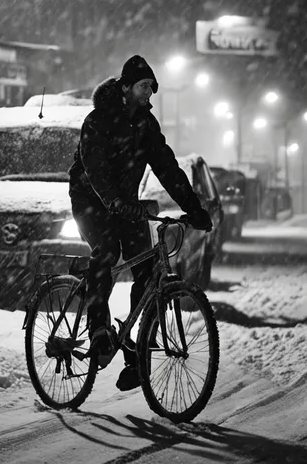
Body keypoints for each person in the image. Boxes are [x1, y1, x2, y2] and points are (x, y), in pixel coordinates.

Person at [68, 55, 212, 391]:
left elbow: (168, 168)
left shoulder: (145, 125)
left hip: (127, 206)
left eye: (152, 87)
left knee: (148, 272)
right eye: (144, 86)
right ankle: (99, 328)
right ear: (126, 86)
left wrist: (194, 207)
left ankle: (137, 351)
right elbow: (94, 166)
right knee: (106, 250)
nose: (149, 93)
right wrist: (112, 200)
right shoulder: (99, 119)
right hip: (91, 199)